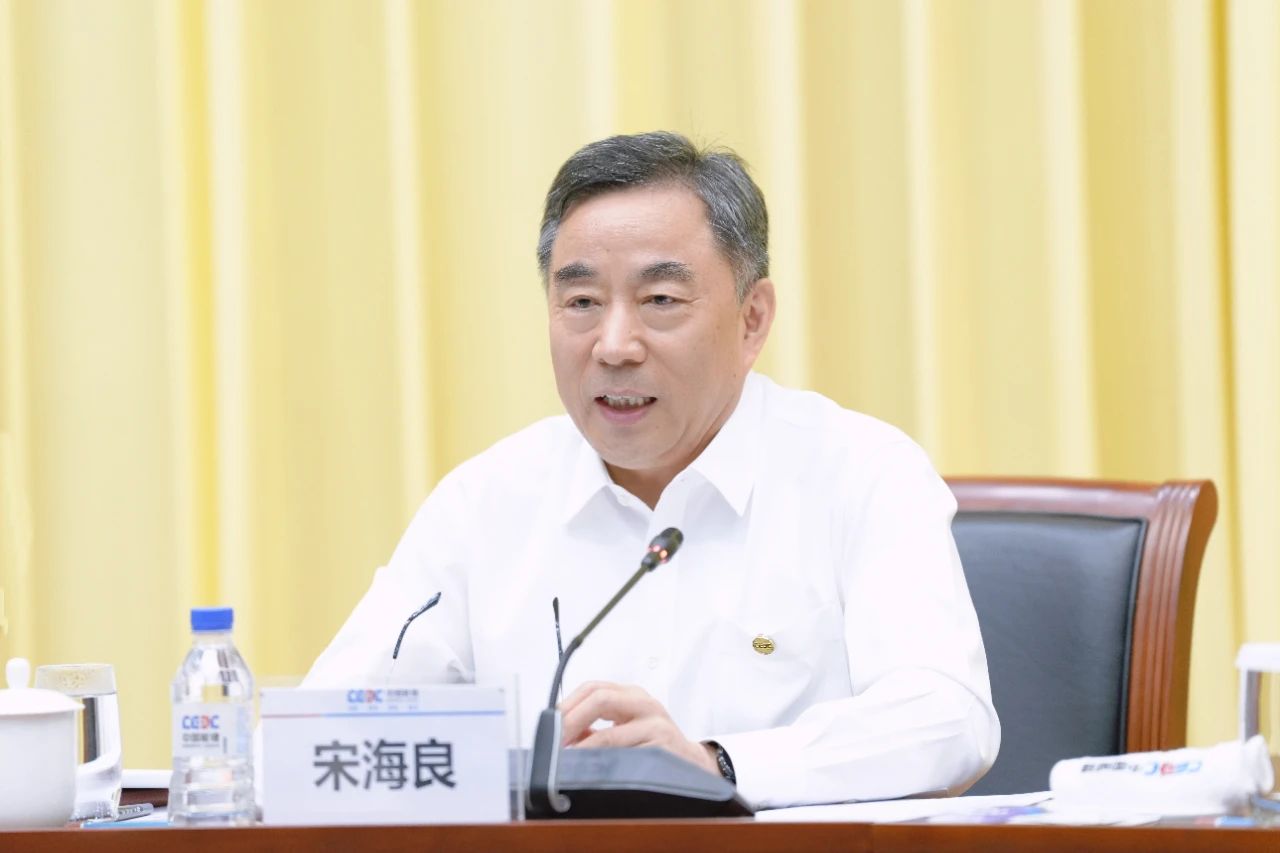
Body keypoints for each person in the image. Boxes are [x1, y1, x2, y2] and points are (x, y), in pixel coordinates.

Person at [302, 131, 999, 808]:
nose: (614, 346)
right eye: (581, 303)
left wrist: (714, 764)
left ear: (752, 318)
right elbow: (325, 733)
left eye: (660, 300)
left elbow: (948, 720)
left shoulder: (860, 473)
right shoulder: (485, 501)